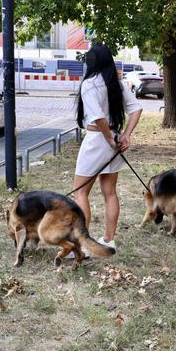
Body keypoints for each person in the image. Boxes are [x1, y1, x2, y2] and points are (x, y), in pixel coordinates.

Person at [72, 43, 143, 252]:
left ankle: (83, 245)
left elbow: (98, 117)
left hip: (97, 140)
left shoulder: (89, 84)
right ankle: (109, 240)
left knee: (80, 193)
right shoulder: (116, 83)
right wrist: (125, 136)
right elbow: (136, 109)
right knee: (110, 193)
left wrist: (109, 139)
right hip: (113, 138)